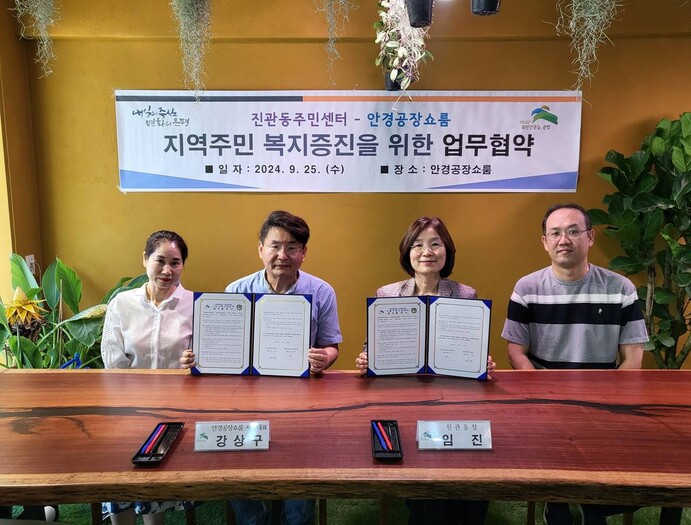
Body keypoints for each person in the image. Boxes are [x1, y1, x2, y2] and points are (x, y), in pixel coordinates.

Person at [181, 210, 342, 525]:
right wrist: (198, 357)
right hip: (245, 398)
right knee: (243, 476)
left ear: (304, 253)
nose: (283, 255)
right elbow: (222, 348)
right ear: (260, 249)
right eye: (275, 246)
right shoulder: (236, 290)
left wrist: (323, 358)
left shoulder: (322, 291)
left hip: (300, 399)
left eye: (292, 247)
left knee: (298, 505)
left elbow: (332, 346)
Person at [502, 203, 647, 525]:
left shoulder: (621, 288)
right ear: (545, 242)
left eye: (572, 231)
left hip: (602, 399)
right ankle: (556, 501)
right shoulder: (526, 289)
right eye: (555, 233)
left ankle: (593, 503)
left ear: (590, 237)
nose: (563, 239)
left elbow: (633, 357)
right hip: (544, 398)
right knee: (549, 437)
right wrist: (543, 394)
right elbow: (516, 352)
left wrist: (607, 401)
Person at [355, 216, 493, 525]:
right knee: (428, 493)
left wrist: (482, 362)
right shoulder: (388, 294)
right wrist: (367, 359)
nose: (426, 252)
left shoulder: (466, 294)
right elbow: (371, 346)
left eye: (435, 244)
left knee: (470, 482)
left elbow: (473, 347)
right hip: (403, 396)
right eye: (417, 245)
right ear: (407, 252)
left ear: (447, 251)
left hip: (453, 396)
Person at [101, 230, 193, 525]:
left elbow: (205, 362)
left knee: (155, 487)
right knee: (121, 483)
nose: (167, 270)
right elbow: (113, 360)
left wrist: (195, 363)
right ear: (145, 259)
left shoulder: (195, 305)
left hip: (173, 410)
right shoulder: (121, 304)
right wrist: (129, 405)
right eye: (160, 261)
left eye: (175, 263)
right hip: (127, 409)